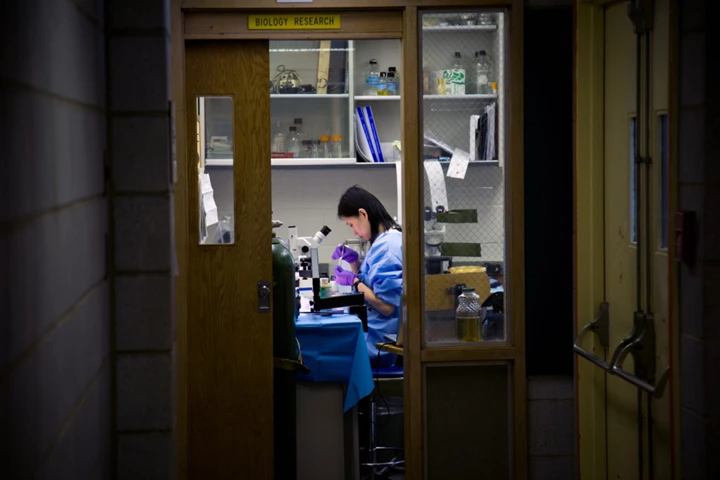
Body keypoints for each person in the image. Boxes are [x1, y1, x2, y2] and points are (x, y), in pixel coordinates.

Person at [332, 185, 402, 367]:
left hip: (379, 343)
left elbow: (386, 307)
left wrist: (354, 282)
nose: (354, 232)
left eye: (351, 225)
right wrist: (355, 264)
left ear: (363, 214)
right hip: (374, 332)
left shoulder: (387, 247)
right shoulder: (383, 240)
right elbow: (373, 286)